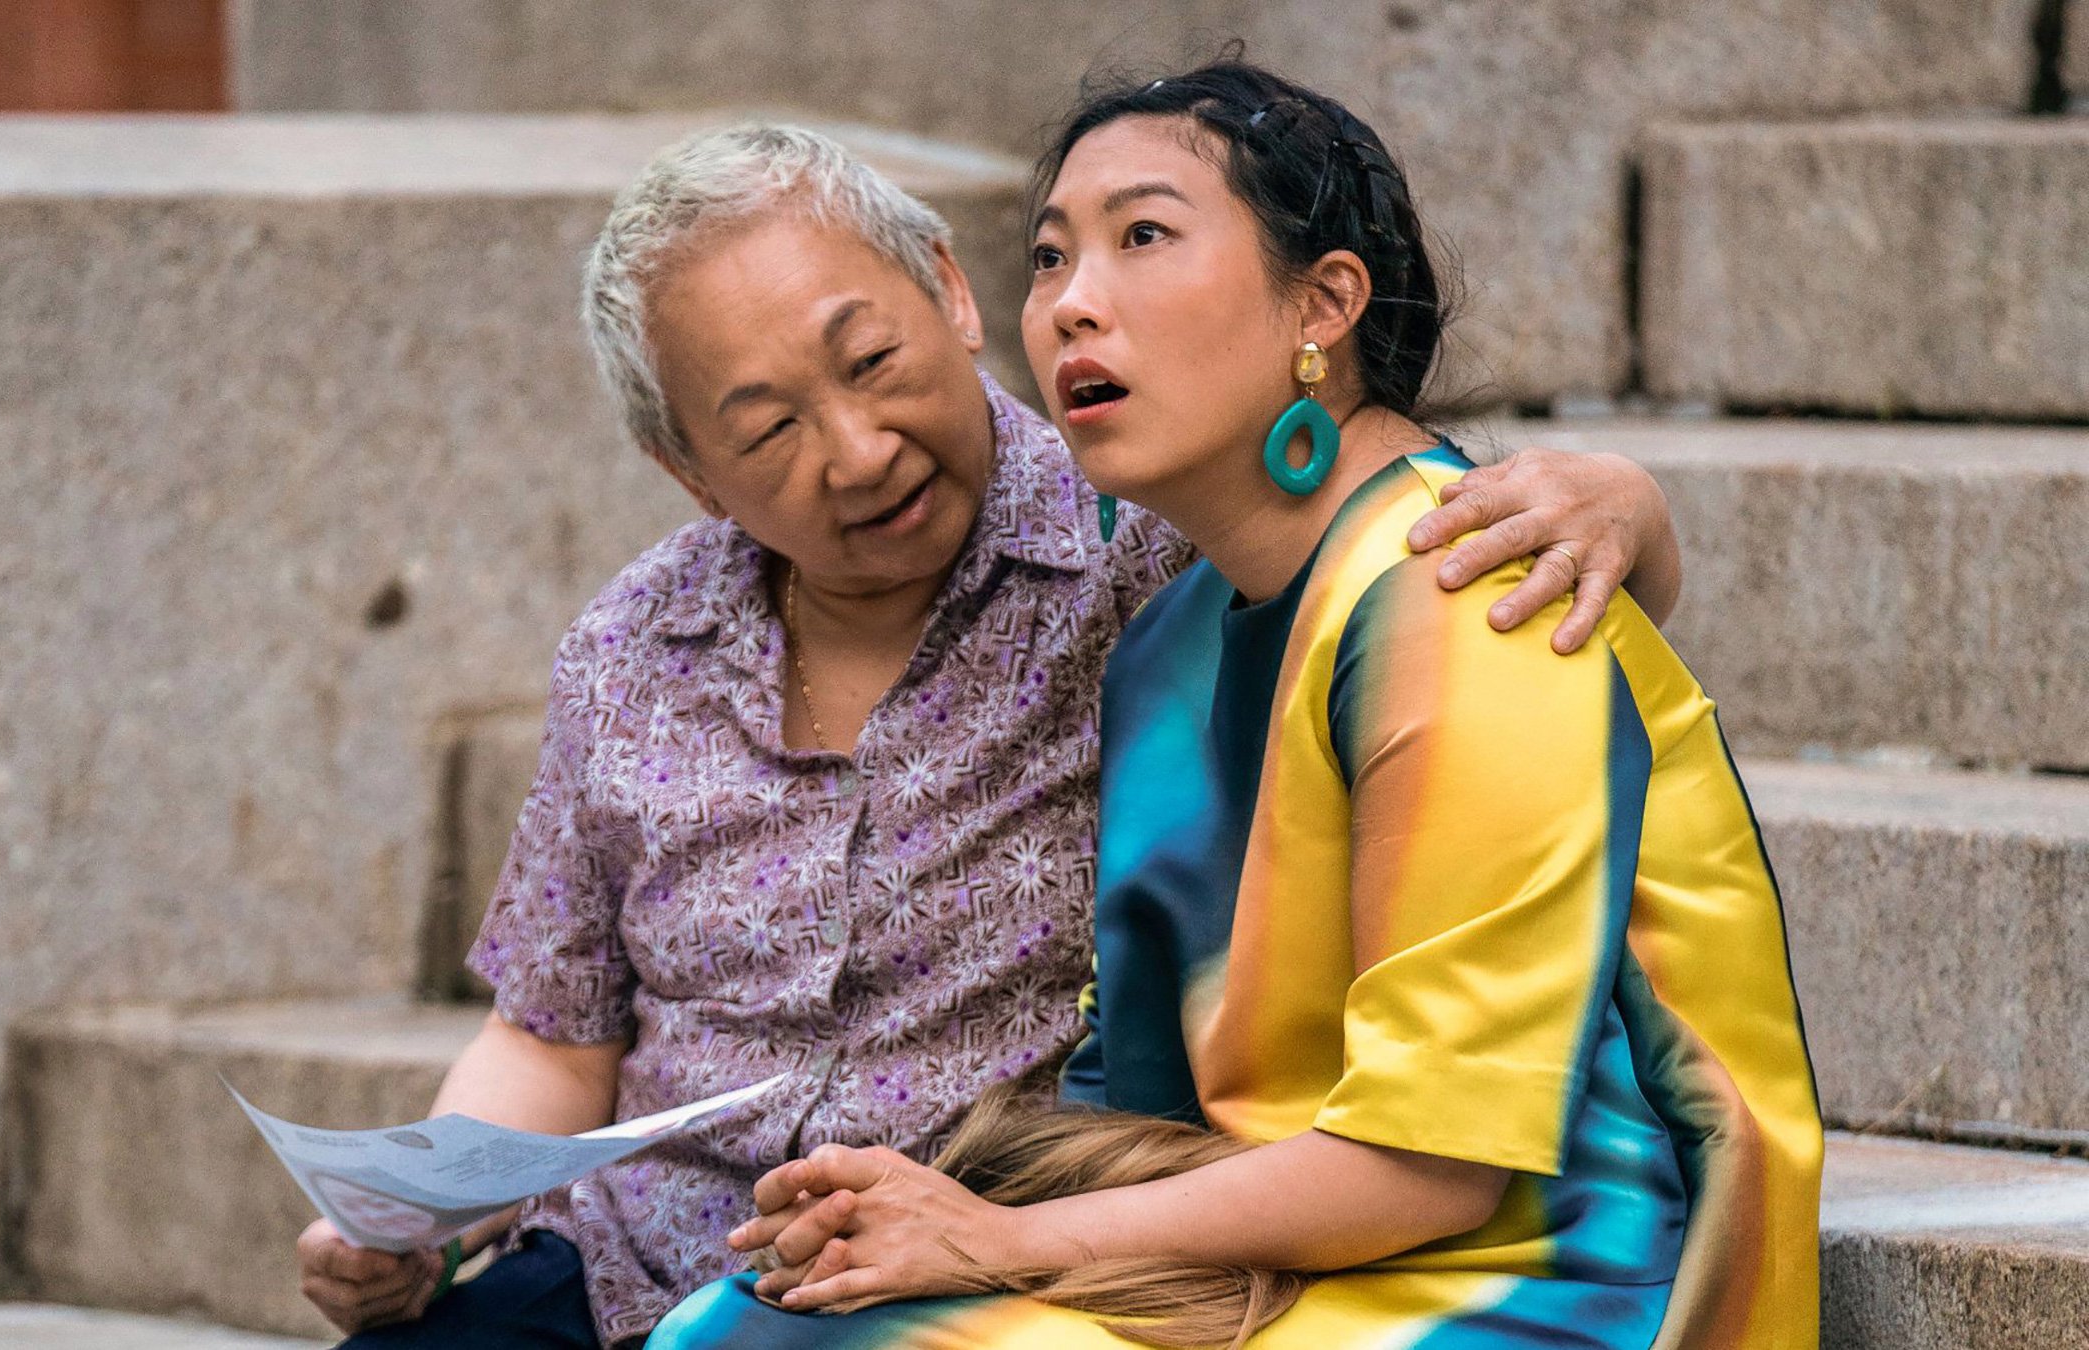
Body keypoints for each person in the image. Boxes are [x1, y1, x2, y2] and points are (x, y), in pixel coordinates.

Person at [297, 122, 1691, 1350]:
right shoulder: (631, 650)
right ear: (689, 471)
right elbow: (552, 1033)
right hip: (626, 1255)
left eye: (873, 360)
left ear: (953, 297)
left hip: (974, 1249)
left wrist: (1628, 504)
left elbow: (1398, 567)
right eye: (770, 427)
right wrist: (414, 1218)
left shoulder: (1147, 539)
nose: (858, 449)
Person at [657, 63, 1820, 1350]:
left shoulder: (1461, 589)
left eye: (1141, 237)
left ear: (1323, 302)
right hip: (1271, 1254)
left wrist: (1005, 1240)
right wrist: (925, 1205)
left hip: (1540, 1281)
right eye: (1047, 260)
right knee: (752, 1328)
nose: (1069, 307)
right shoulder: (1168, 640)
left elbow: (1435, 1161)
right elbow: (1140, 1110)